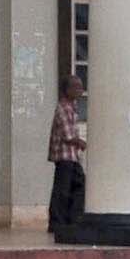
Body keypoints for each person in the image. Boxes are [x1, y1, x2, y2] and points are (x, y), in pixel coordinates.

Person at [46, 75, 89, 234]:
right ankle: (57, 221)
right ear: (67, 90)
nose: (80, 90)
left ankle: (72, 218)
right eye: (76, 87)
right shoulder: (63, 108)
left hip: (72, 156)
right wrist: (80, 142)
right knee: (62, 190)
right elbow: (67, 135)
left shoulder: (72, 107)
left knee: (78, 185)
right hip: (64, 156)